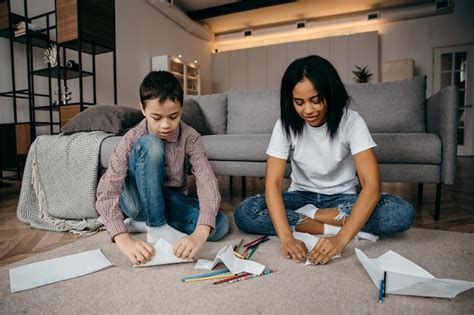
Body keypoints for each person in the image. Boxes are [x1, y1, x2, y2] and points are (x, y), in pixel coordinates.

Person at [234, 55, 415, 265]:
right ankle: (332, 224)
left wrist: (339, 241)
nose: (308, 110)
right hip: (300, 196)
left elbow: (371, 185)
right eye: (299, 102)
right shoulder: (284, 125)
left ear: (330, 93)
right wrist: (286, 238)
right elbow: (272, 184)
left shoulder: (351, 121)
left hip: (343, 200)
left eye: (316, 100)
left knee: (401, 213)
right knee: (245, 212)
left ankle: (312, 216)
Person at [96, 71, 229, 265]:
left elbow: (206, 179)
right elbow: (107, 191)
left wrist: (200, 233)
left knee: (219, 224)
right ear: (143, 109)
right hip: (136, 201)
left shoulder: (190, 137)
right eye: (156, 117)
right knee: (151, 144)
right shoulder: (131, 138)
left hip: (168, 199)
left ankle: (143, 224)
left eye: (173, 116)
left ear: (181, 109)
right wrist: (123, 239)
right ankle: (156, 226)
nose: (166, 125)